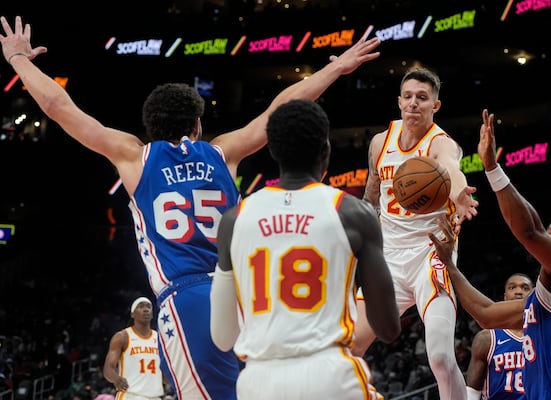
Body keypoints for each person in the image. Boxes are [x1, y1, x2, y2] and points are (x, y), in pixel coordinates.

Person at [0, 15, 383, 400]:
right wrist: (335, 67)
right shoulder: (223, 152)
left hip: (187, 300)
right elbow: (279, 110)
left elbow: (59, 106)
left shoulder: (134, 157)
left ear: (150, 126)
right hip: (246, 295)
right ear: (198, 125)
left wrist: (19, 60)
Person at [209, 99, 401, 399]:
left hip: (258, 382)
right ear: (325, 151)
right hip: (329, 374)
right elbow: (388, 328)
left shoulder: (233, 220)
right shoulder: (353, 213)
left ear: (272, 150)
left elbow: (222, 338)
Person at [428, 108, 551, 399]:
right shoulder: (538, 305)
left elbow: (530, 232)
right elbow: (486, 315)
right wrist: (449, 264)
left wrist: (492, 168)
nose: (548, 236)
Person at [354, 67, 478, 399]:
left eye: (422, 98)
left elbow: (450, 169)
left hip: (431, 257)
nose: (413, 104)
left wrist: (461, 194)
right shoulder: (381, 142)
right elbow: (370, 196)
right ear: (398, 101)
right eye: (408, 97)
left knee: (438, 356)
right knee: (348, 346)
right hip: (388, 261)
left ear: (435, 106)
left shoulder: (441, 143)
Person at [465, 273, 533, 400]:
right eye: (512, 288)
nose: (518, 292)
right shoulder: (487, 338)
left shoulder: (545, 336)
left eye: (525, 288)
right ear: (505, 297)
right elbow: (472, 392)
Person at [103, 297, 164, 400]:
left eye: (149, 307)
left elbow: (164, 372)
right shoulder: (123, 336)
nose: (146, 309)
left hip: (155, 396)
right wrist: (116, 379)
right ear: (132, 314)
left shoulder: (160, 339)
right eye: (141, 307)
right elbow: (108, 369)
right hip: (131, 395)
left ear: (152, 314)